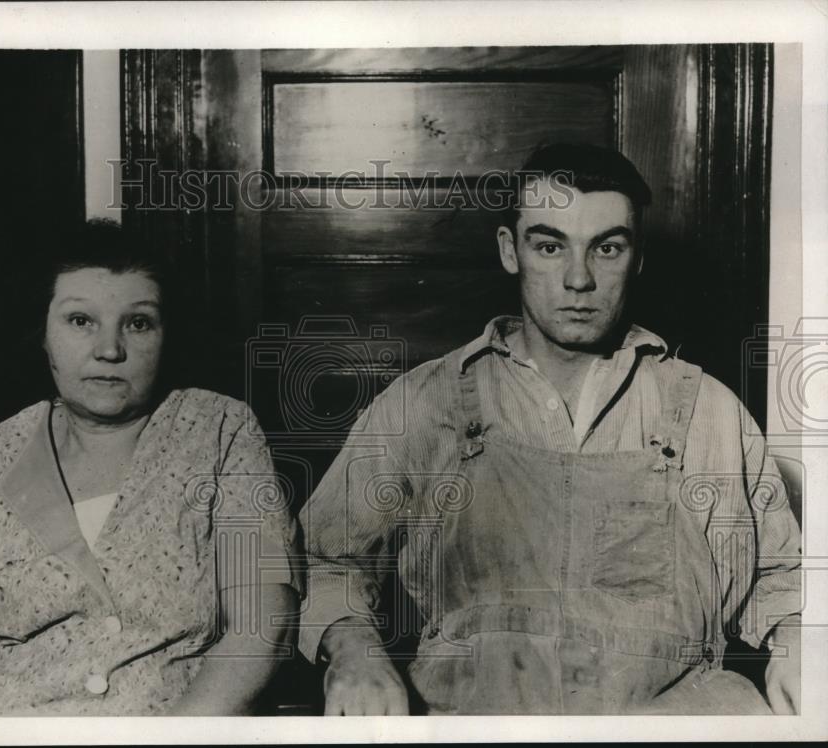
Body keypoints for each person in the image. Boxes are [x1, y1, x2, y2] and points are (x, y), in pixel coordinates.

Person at [300, 144, 802, 715]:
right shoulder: (421, 403)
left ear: (637, 258)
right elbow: (329, 559)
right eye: (549, 246)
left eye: (607, 248)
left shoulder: (708, 410)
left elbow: (780, 578)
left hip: (670, 721)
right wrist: (354, 651)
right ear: (510, 250)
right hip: (483, 718)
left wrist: (798, 642)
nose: (579, 278)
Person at [0, 219, 302, 715]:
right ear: (42, 332)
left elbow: (261, 630)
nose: (110, 349)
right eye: (80, 321)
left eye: (138, 322)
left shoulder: (220, 432)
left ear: (168, 334)